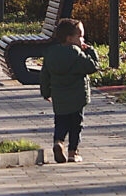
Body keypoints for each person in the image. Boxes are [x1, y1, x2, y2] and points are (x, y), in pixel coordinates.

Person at [38, 17, 98, 163]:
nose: (83, 39)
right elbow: (92, 67)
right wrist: (90, 50)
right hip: (77, 97)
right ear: (70, 38)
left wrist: (46, 92)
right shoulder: (77, 54)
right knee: (76, 125)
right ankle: (73, 152)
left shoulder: (51, 54)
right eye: (80, 36)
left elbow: (45, 75)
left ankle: (58, 142)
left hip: (59, 97)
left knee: (61, 122)